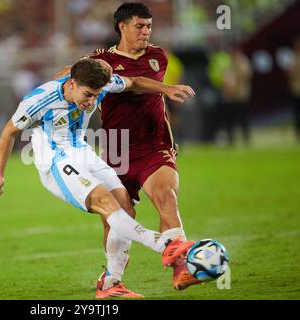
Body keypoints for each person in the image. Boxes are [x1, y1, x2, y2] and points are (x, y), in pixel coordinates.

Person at [0, 58, 195, 298]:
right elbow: (8, 133)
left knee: (125, 206)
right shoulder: (39, 100)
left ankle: (111, 283)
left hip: (82, 152)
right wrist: (0, 175)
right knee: (107, 204)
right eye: (87, 95)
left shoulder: (102, 83)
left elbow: (134, 83)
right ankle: (164, 245)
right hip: (55, 161)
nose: (90, 102)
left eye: (96, 96)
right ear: (72, 83)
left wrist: (166, 89)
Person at [56, 2, 201, 293]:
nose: (146, 31)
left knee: (165, 196)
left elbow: (136, 84)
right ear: (122, 26)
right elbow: (69, 76)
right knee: (118, 217)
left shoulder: (158, 57)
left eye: (148, 26)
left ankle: (181, 269)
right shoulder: (101, 60)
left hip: (153, 144)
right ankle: (111, 281)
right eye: (140, 26)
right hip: (116, 148)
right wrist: (63, 87)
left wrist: (165, 89)